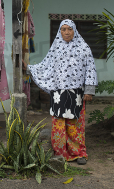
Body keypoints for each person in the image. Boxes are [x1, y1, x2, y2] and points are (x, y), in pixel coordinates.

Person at [22, 19, 97, 165]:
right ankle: (59, 153)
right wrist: (29, 68)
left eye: (70, 29)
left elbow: (91, 69)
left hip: (77, 93)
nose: (67, 32)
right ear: (60, 31)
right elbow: (46, 66)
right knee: (59, 124)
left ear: (74, 31)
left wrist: (89, 90)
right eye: (63, 29)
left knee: (76, 124)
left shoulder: (83, 48)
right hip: (58, 93)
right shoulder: (56, 48)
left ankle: (79, 153)